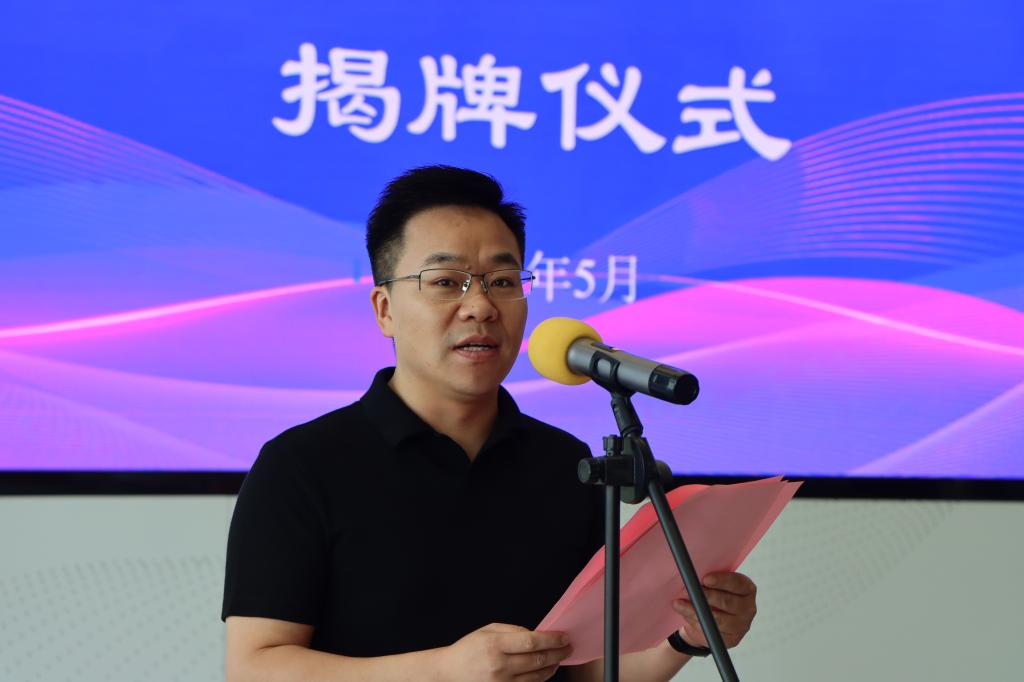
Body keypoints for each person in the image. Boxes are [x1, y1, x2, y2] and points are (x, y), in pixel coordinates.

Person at [222, 165, 757, 681]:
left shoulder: (566, 465)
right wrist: (443, 673)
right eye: (446, 281)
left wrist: (686, 636)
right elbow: (255, 668)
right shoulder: (301, 466)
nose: (480, 305)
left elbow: (586, 669)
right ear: (385, 309)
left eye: (502, 280)